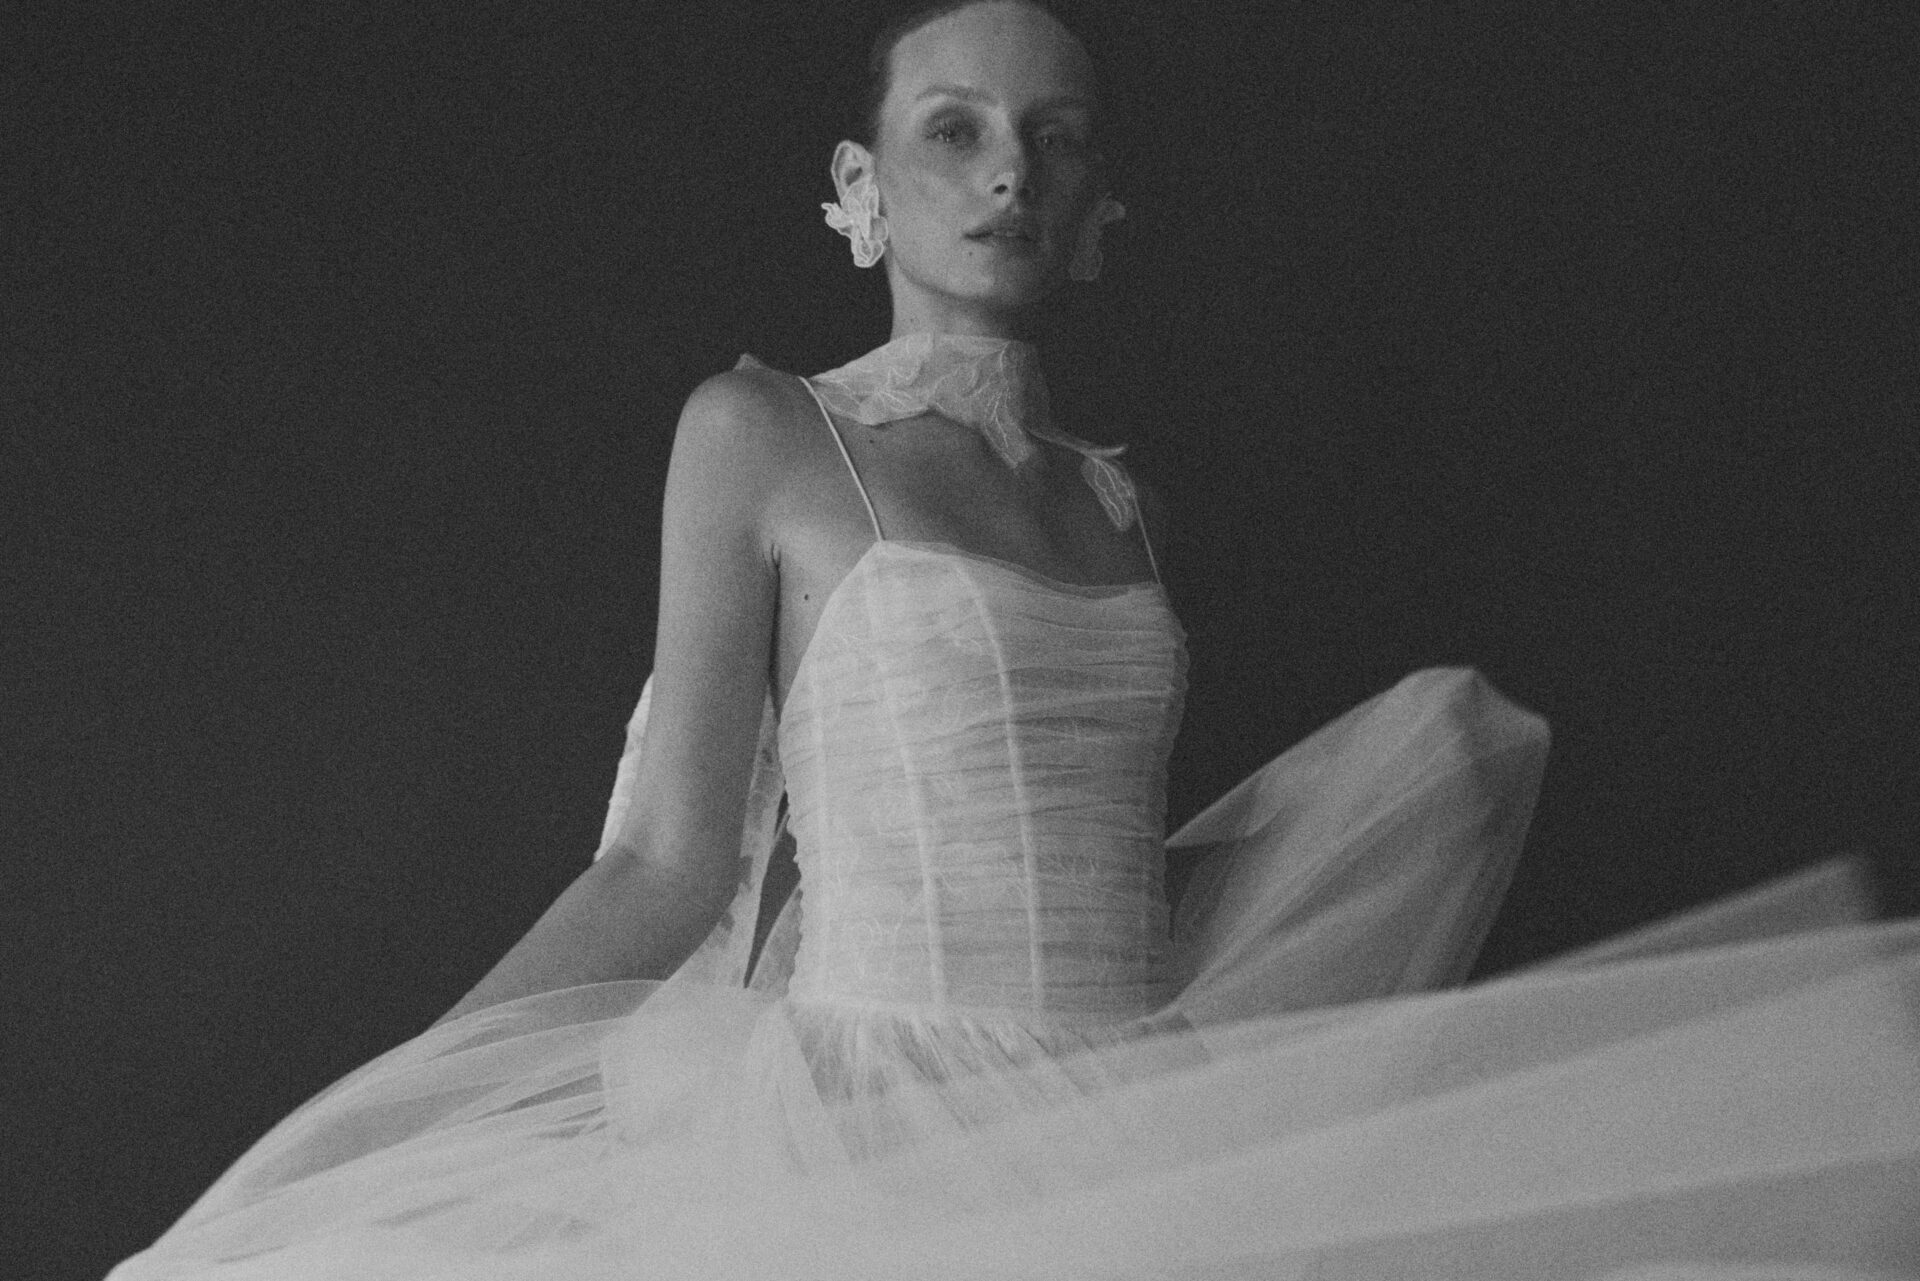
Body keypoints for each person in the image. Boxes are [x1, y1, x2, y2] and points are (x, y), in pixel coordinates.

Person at [107, 3, 1920, 1278]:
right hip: (866, 1119)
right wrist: (400, 1103)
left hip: (1134, 1110)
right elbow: (667, 860)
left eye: (1055, 140)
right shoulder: (760, 433)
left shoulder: (1116, 507)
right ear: (863, 180)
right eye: (952, 130)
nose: (1007, 175)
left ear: (1100, 200)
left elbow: (1102, 863)